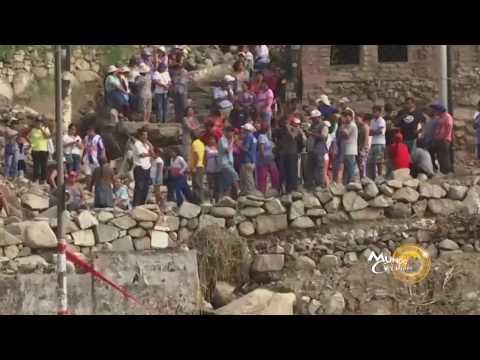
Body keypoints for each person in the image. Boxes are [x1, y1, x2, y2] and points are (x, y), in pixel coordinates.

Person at [273, 116, 304, 193]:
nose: (286, 124)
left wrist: (289, 129)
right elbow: (273, 136)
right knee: (283, 172)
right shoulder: (280, 130)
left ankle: (292, 189)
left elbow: (295, 138)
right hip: (283, 154)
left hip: (292, 153)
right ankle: (283, 189)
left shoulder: (297, 130)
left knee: (292, 172)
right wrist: (278, 145)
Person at [306, 110, 329, 188]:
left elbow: (324, 137)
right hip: (312, 150)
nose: (312, 120)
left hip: (320, 150)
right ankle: (311, 185)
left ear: (318, 118)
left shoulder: (323, 126)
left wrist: (312, 134)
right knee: (310, 168)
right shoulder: (312, 125)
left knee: (319, 168)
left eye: (314, 118)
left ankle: (320, 185)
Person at [132, 128, 154, 207]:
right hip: (139, 167)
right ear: (140, 136)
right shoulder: (137, 144)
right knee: (139, 187)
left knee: (146, 187)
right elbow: (141, 154)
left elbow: (152, 151)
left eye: (146, 135)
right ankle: (135, 204)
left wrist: (149, 145)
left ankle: (142, 204)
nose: (146, 137)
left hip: (147, 167)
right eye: (144, 135)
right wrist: (150, 154)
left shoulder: (146, 145)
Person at [430, 102, 454, 175]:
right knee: (436, 154)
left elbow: (449, 127)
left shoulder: (447, 117)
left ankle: (446, 171)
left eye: (435, 110)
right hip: (438, 139)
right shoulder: (440, 117)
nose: (434, 112)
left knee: (443, 156)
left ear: (439, 110)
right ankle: (438, 169)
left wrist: (444, 137)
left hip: (444, 140)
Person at [256, 124, 280, 195]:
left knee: (275, 175)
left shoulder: (267, 137)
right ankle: (262, 192)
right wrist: (264, 156)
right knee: (262, 177)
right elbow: (261, 149)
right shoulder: (261, 137)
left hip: (270, 160)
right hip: (263, 161)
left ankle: (275, 190)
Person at [218, 126, 240, 199]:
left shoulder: (229, 140)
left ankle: (225, 197)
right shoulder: (222, 140)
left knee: (227, 183)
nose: (232, 135)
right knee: (234, 175)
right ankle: (238, 190)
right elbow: (227, 150)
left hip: (230, 163)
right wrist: (231, 142)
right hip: (224, 164)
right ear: (226, 132)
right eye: (230, 133)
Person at [29, 117, 51, 185]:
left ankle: (43, 180)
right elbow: (29, 137)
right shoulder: (33, 130)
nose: (39, 123)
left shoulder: (45, 129)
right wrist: (30, 145)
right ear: (35, 122)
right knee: (36, 166)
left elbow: (47, 136)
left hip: (44, 149)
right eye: (37, 122)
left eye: (40, 122)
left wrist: (41, 129)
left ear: (42, 123)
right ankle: (36, 180)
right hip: (35, 150)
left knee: (44, 166)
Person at [238, 123, 258, 195]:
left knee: (247, 178)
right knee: (247, 177)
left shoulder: (248, 137)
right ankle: (246, 192)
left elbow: (246, 148)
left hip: (246, 161)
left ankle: (250, 193)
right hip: (252, 160)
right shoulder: (253, 138)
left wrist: (239, 145)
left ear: (247, 130)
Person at [368, 105, 386, 180]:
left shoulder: (381, 120)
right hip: (373, 142)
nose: (373, 113)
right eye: (373, 111)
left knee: (379, 161)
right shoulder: (372, 121)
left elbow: (379, 131)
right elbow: (370, 132)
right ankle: (373, 177)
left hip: (380, 143)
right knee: (372, 161)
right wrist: (373, 132)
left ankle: (380, 177)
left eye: (375, 111)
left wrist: (373, 132)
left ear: (379, 112)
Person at [340, 109, 358, 185]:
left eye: (346, 117)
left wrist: (342, 126)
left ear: (350, 117)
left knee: (350, 169)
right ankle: (345, 183)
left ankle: (350, 184)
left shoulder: (352, 125)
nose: (344, 118)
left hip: (350, 150)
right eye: (344, 117)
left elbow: (346, 135)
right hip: (346, 150)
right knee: (346, 169)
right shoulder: (347, 125)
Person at [190, 133, 206, 203]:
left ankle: (197, 200)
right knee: (200, 184)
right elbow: (205, 155)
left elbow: (196, 155)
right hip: (201, 166)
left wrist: (194, 167)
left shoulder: (194, 143)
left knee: (196, 184)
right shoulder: (202, 143)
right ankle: (200, 199)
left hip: (197, 166)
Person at [205, 136, 221, 203]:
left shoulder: (218, 147)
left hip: (217, 169)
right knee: (210, 185)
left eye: (213, 139)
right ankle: (211, 199)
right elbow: (206, 157)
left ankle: (217, 200)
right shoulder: (206, 148)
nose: (212, 141)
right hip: (209, 169)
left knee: (217, 185)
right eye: (210, 139)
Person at [356, 113, 370, 180]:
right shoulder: (358, 127)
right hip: (358, 147)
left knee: (362, 164)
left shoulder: (365, 126)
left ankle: (364, 178)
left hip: (363, 148)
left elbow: (366, 139)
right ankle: (361, 177)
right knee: (360, 164)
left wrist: (362, 148)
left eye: (357, 119)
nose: (356, 120)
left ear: (361, 118)